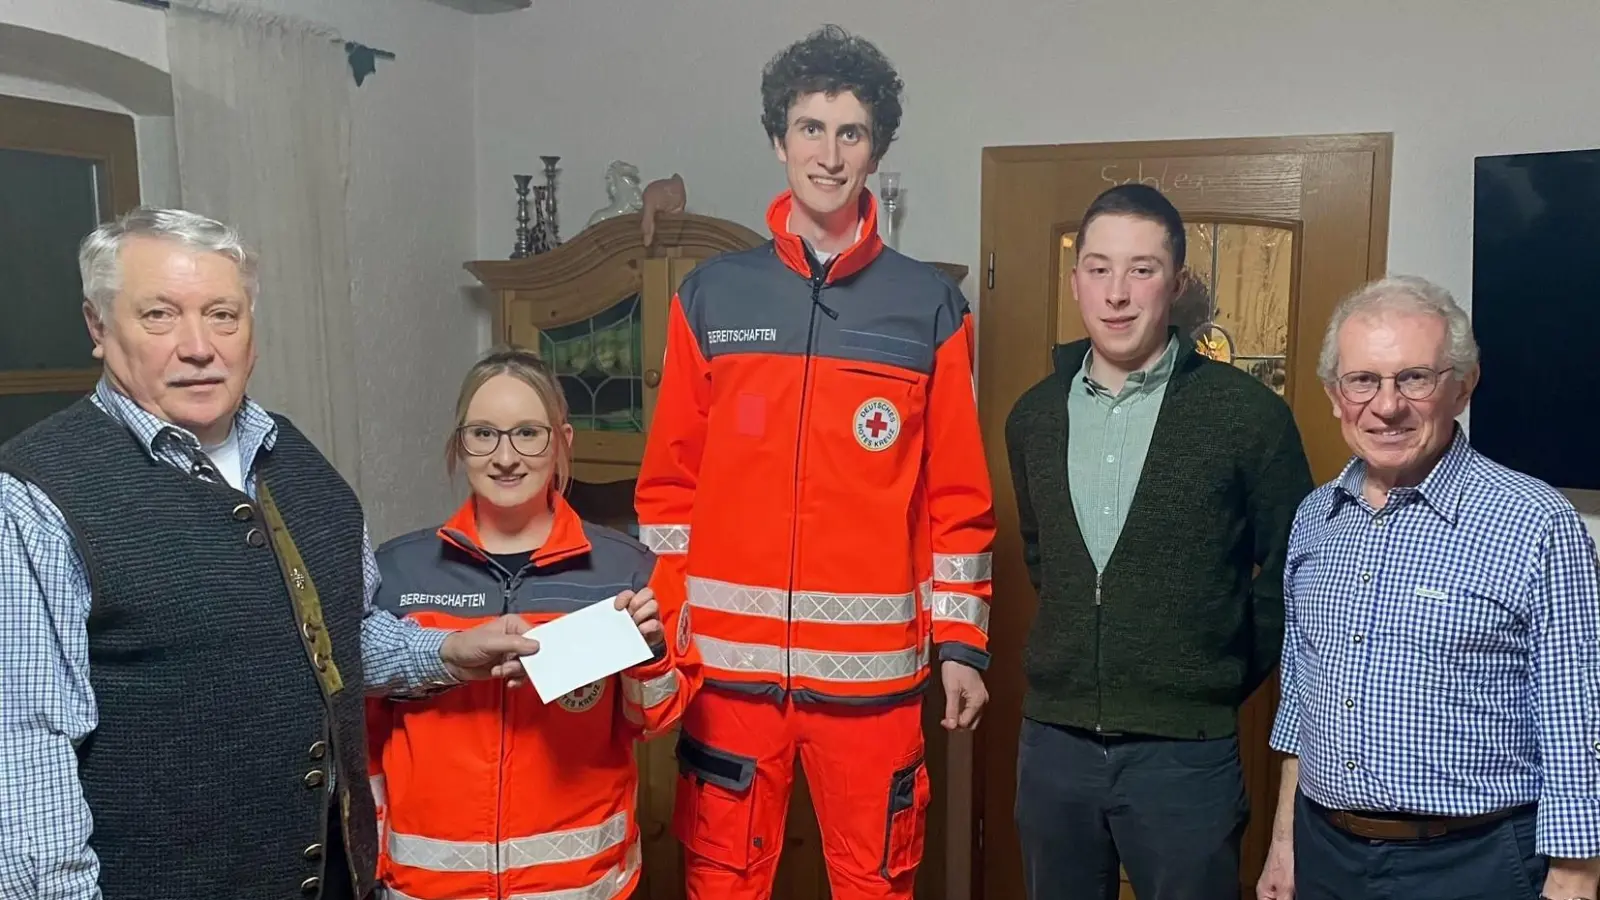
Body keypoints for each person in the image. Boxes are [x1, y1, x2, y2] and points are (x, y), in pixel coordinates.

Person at [0, 208, 540, 900]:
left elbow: (337, 634)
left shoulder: (295, 458)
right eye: (160, 316)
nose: (199, 346)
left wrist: (441, 656)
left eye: (222, 315)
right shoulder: (36, 497)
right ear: (98, 328)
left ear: (251, 330)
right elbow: (22, 758)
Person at [632, 24, 996, 900]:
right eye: (809, 128)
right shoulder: (711, 297)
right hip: (727, 677)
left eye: (851, 133)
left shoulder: (929, 306)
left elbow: (957, 496)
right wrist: (675, 621)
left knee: (878, 883)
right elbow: (669, 485)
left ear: (876, 150)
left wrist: (963, 645)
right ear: (777, 138)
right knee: (720, 883)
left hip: (874, 683)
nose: (828, 154)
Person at [1003, 183, 1315, 900]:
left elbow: (1297, 572)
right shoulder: (1033, 417)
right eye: (1099, 268)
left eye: (1141, 270)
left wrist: (1218, 669)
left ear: (1174, 285)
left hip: (1185, 752)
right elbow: (1045, 557)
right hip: (1054, 746)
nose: (1117, 293)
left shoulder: (1247, 417)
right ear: (1076, 279)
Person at [1259, 275, 1600, 900]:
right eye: (1362, 380)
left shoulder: (1536, 523)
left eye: (1414, 378)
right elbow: (1301, 695)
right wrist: (1283, 843)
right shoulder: (1314, 518)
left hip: (1476, 864)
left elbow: (1578, 716)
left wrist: (1577, 876)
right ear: (1336, 395)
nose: (1386, 406)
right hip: (1326, 849)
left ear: (1462, 388)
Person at [365, 346, 701, 900]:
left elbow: (657, 719)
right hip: (425, 888)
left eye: (528, 433)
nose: (505, 456)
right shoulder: (397, 571)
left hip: (581, 887)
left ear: (563, 442)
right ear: (460, 446)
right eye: (483, 434)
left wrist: (651, 655)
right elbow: (367, 741)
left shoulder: (628, 570)